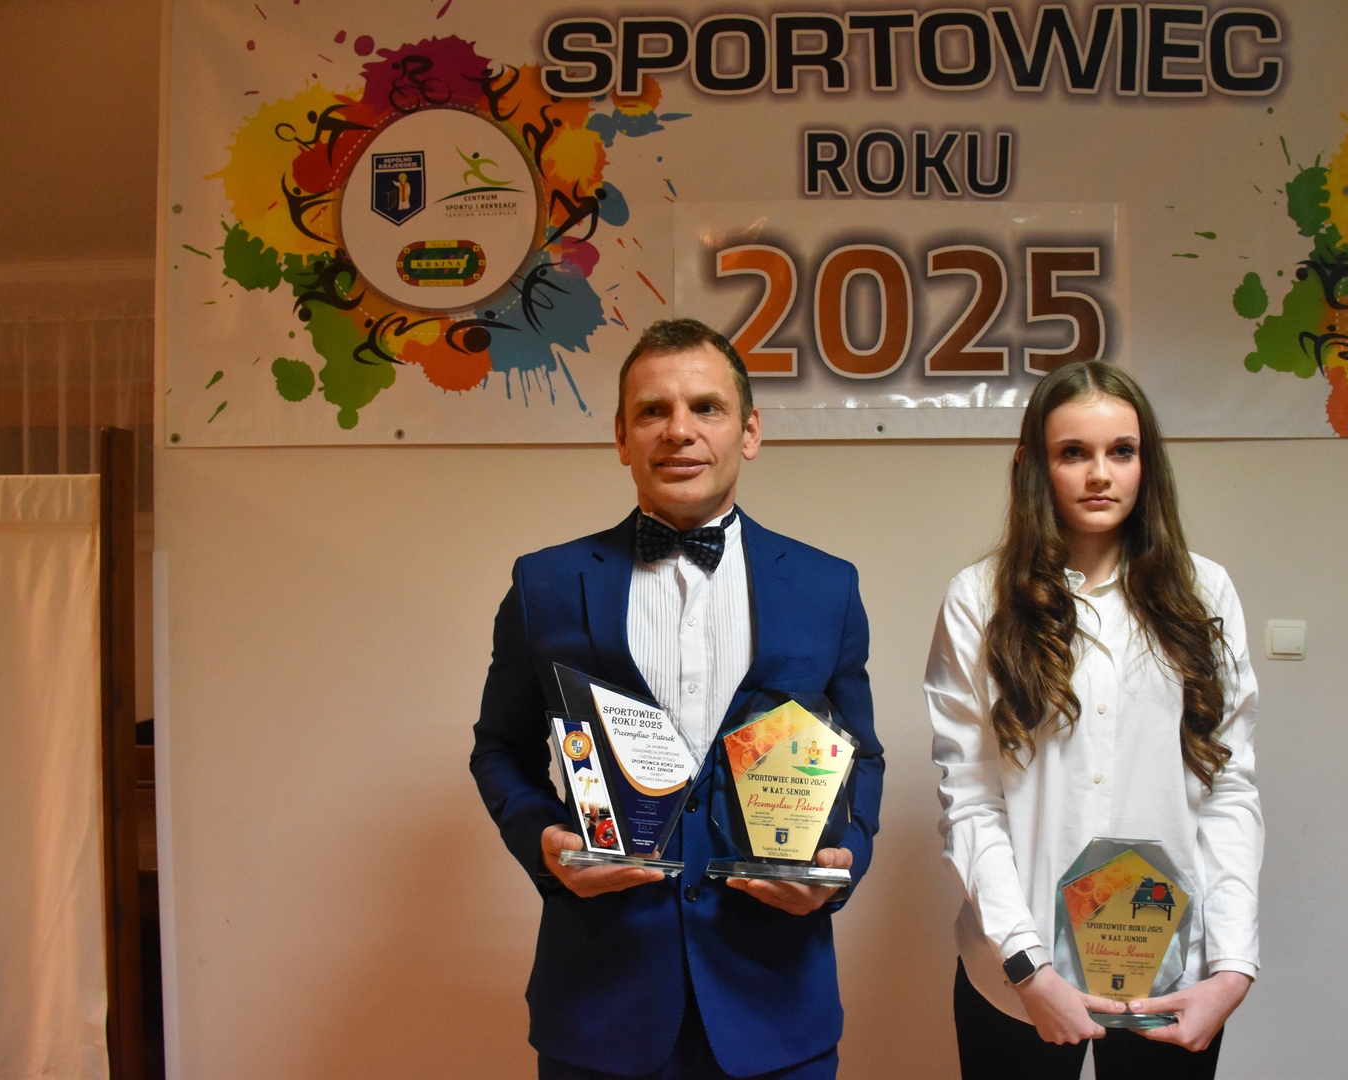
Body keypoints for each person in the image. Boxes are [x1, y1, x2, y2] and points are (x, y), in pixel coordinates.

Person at [471, 318, 884, 1080]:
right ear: (621, 436)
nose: (679, 431)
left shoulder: (827, 587)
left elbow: (863, 756)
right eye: (653, 411)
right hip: (601, 1005)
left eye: (706, 408)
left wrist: (842, 866)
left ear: (750, 431)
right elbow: (499, 748)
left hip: (775, 1003)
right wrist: (543, 841)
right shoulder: (546, 584)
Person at [924, 361, 1261, 1080]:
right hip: (1017, 979)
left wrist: (1233, 968)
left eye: (1122, 451)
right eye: (1073, 452)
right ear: (1034, 467)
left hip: (1172, 977)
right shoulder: (978, 599)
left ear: (1147, 464)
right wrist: (1027, 967)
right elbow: (972, 801)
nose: (1100, 473)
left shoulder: (1205, 592)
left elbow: (1229, 789)